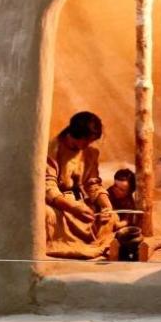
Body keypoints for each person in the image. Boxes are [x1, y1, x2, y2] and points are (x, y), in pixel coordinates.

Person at [45, 111, 118, 259]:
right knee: (48, 216)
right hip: (59, 204)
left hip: (81, 204)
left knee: (111, 218)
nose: (88, 144)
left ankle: (95, 243)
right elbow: (49, 187)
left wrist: (106, 206)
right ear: (75, 134)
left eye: (91, 141)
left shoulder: (90, 153)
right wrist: (72, 208)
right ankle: (73, 247)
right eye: (86, 140)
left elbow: (93, 184)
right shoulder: (51, 150)